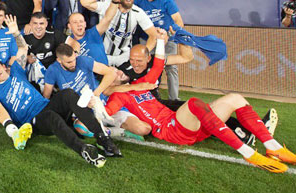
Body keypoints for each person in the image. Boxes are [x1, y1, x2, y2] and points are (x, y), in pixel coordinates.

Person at [104, 33, 296, 173]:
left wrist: (162, 40)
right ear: (109, 81)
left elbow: (158, 63)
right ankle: (247, 152)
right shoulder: (117, 96)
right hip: (170, 129)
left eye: (119, 70)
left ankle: (273, 147)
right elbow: (105, 114)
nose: (120, 71)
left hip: (187, 126)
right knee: (194, 103)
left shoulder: (140, 84)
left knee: (235, 98)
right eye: (114, 72)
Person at [0, 51, 110, 167]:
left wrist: (16, 33)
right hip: (33, 121)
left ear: (4, 66)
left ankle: (102, 137)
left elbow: (22, 47)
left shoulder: (16, 71)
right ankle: (83, 150)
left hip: (46, 105)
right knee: (50, 116)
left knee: (68, 93)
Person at [41, 44, 124, 155]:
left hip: (99, 103)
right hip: (80, 109)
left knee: (141, 129)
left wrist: (96, 94)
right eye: (69, 62)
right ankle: (109, 132)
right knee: (80, 127)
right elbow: (46, 96)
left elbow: (111, 73)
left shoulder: (83, 60)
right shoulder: (52, 70)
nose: (73, 64)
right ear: (59, 61)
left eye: (74, 59)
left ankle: (108, 129)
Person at [134, 0, 183, 101]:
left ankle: (174, 99)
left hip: (167, 40)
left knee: (171, 68)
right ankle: (146, 96)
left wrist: (169, 34)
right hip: (147, 39)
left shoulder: (166, 0)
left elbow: (178, 21)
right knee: (146, 66)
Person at [81, 0, 157, 67]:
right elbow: (84, 2)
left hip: (124, 56)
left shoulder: (138, 12)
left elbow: (153, 35)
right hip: (103, 54)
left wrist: (143, 54)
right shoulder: (107, 6)